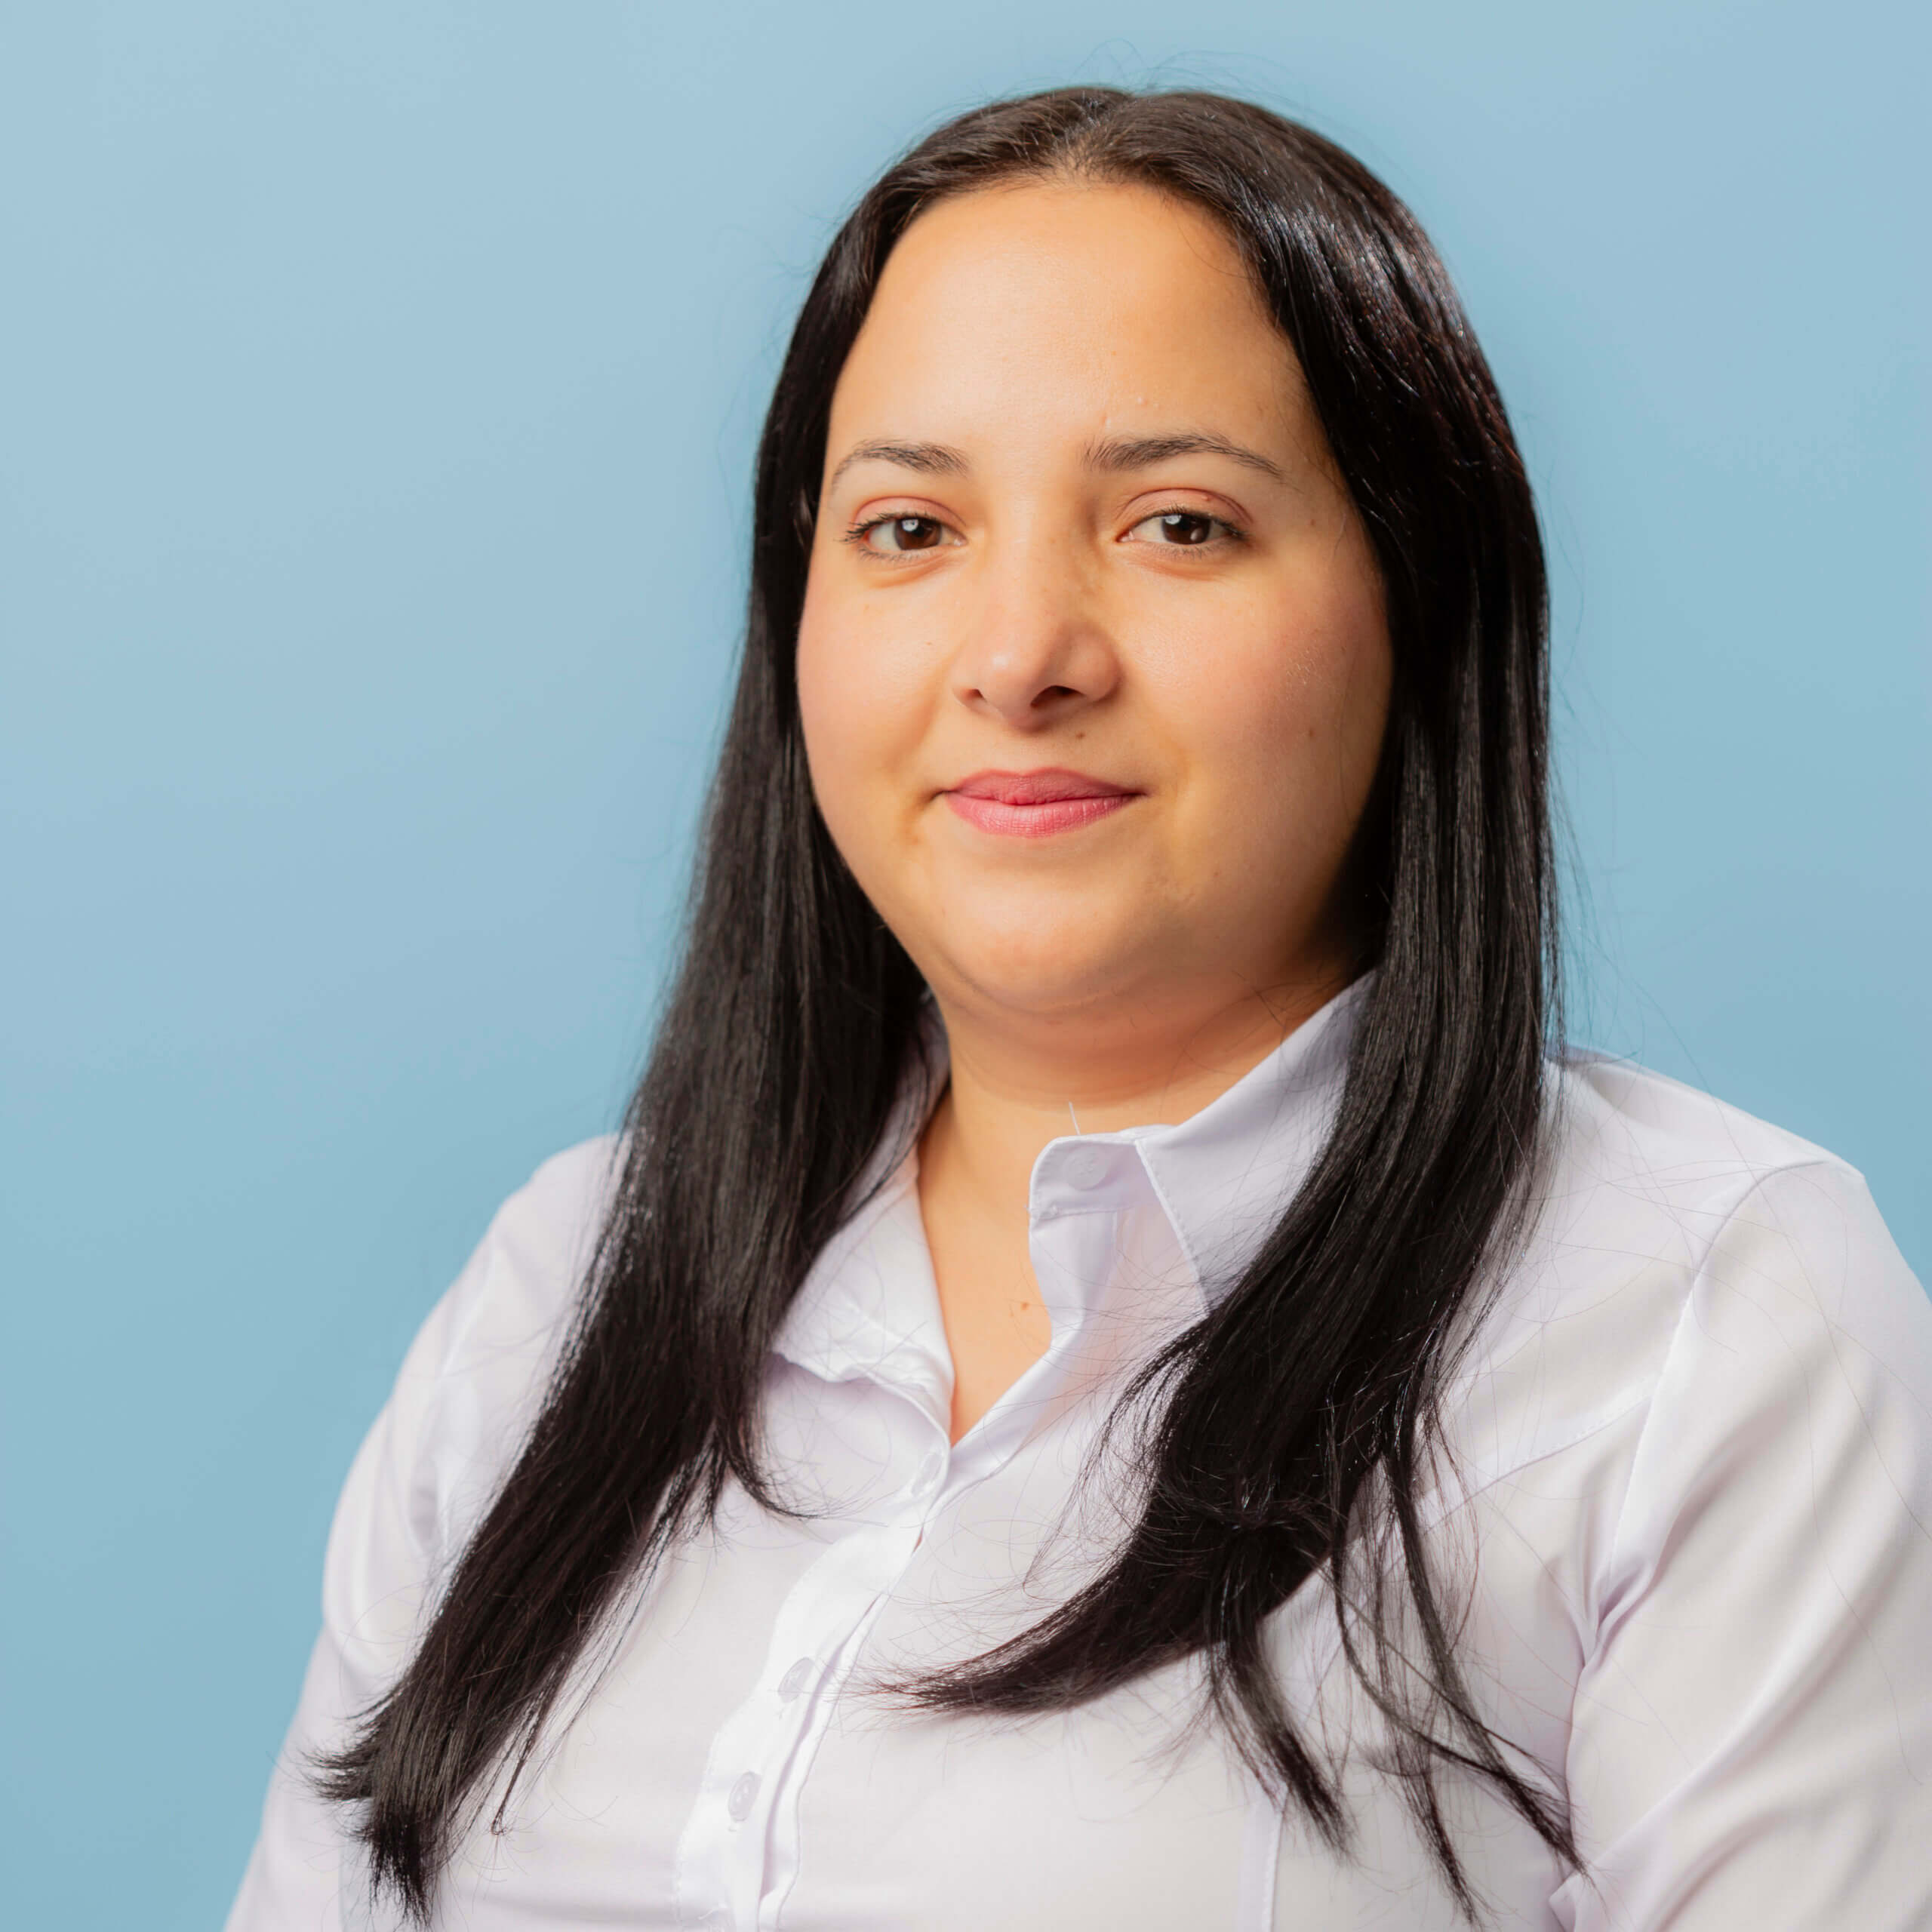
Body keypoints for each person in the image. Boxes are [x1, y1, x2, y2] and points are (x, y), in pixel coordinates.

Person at [226, 87, 1932, 1932]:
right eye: (905, 527)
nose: (1020, 652)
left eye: (1178, 523)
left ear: (1412, 605)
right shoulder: (560, 1290)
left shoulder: (1705, 1328)